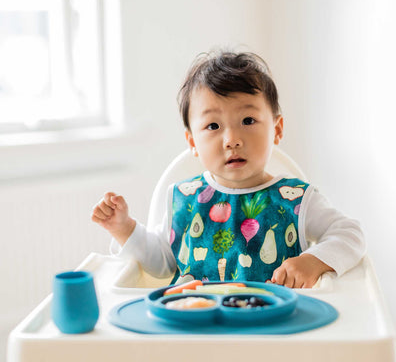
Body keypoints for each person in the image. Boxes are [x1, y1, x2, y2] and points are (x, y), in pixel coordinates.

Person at [91, 50, 366, 288]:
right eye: (213, 126)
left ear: (277, 129)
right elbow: (161, 263)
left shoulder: (296, 200)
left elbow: (350, 234)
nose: (231, 139)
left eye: (248, 120)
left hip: (273, 335)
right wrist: (124, 228)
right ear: (192, 142)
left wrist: (312, 261)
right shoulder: (184, 201)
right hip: (197, 332)